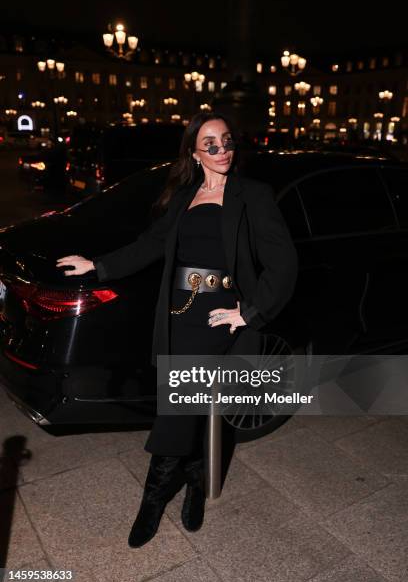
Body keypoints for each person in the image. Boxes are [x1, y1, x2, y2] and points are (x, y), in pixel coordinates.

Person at [55, 111, 298, 548]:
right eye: (210, 144)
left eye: (226, 141)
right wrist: (98, 265)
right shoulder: (185, 195)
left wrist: (251, 312)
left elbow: (284, 262)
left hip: (217, 319)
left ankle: (151, 501)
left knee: (179, 407)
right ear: (193, 151)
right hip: (179, 313)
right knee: (192, 406)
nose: (221, 150)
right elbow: (151, 244)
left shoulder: (253, 195)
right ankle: (195, 483)